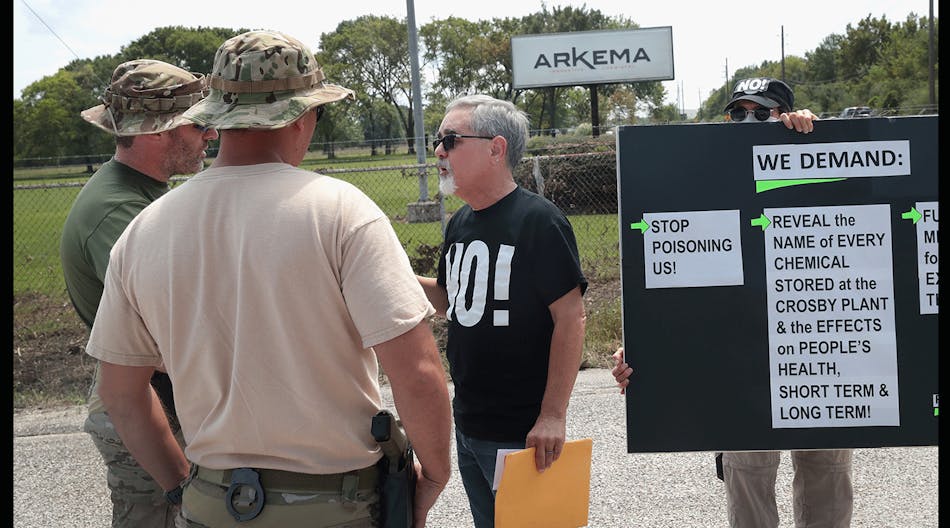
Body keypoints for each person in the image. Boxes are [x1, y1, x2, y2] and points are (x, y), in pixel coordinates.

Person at [83, 30, 452, 527]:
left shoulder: (144, 230)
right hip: (334, 505)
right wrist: (434, 474)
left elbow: (120, 392)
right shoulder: (342, 212)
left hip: (214, 501)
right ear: (301, 116)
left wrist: (181, 487)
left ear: (219, 115)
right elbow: (418, 372)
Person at [613, 78, 853, 528]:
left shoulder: (818, 166)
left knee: (826, 476)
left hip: (819, 349)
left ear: (786, 116)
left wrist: (823, 137)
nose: (747, 122)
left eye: (761, 113)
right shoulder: (706, 176)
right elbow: (679, 275)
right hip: (741, 361)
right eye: (737, 113)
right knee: (748, 481)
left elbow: (868, 190)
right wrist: (647, 344)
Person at [417, 94, 588, 528]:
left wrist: (552, 415)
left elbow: (571, 318)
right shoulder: (460, 222)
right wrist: (380, 265)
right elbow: (449, 299)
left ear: (496, 149)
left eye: (450, 140)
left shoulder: (539, 221)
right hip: (471, 424)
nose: (439, 150)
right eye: (437, 140)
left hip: (524, 433)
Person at [60, 58, 216, 528]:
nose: (210, 134)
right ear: (156, 132)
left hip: (156, 393)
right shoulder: (119, 213)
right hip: (142, 404)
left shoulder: (142, 194)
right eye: (197, 124)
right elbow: (166, 339)